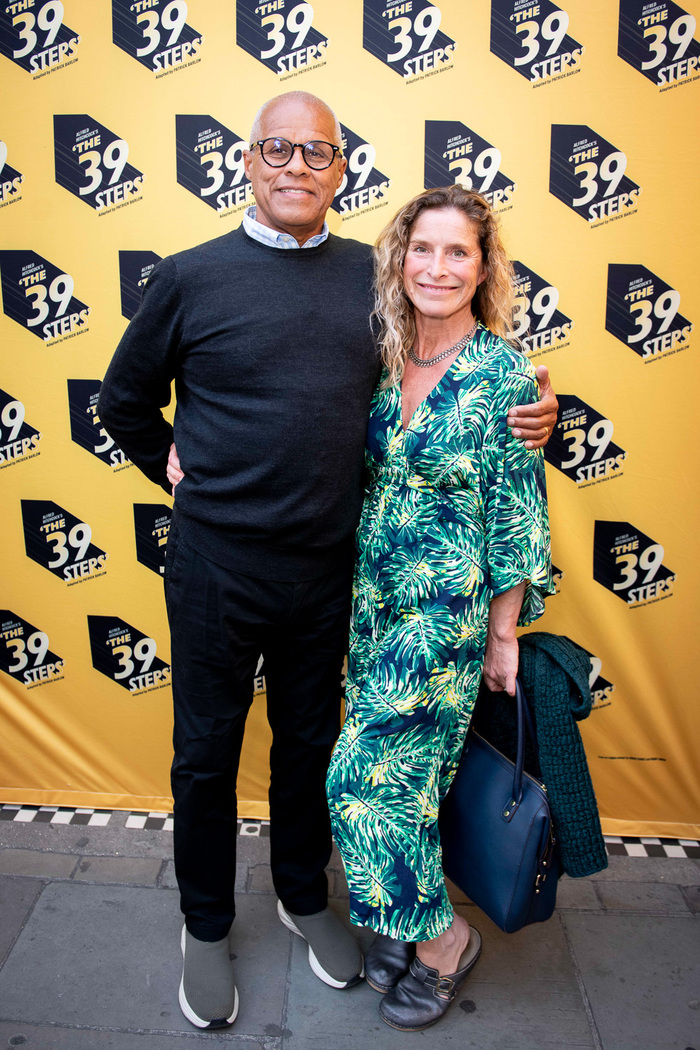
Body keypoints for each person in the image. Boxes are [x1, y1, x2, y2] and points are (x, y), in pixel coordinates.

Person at [97, 91, 557, 1031]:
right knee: (204, 756)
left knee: (316, 750)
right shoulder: (187, 277)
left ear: (342, 168)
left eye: (317, 152)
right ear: (247, 161)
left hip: (331, 576)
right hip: (217, 567)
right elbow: (122, 401)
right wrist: (167, 464)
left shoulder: (372, 281)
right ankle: (206, 921)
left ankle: (305, 896)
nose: (296, 165)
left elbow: (457, 362)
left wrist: (535, 416)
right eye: (278, 148)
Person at [326, 185, 554, 1032]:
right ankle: (400, 916)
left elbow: (517, 513)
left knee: (361, 783)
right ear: (400, 255)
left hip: (443, 620)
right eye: (424, 248)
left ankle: (444, 940)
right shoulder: (383, 354)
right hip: (372, 603)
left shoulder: (504, 374)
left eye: (459, 252)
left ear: (484, 266)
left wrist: (503, 635)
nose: (438, 266)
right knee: (408, 788)